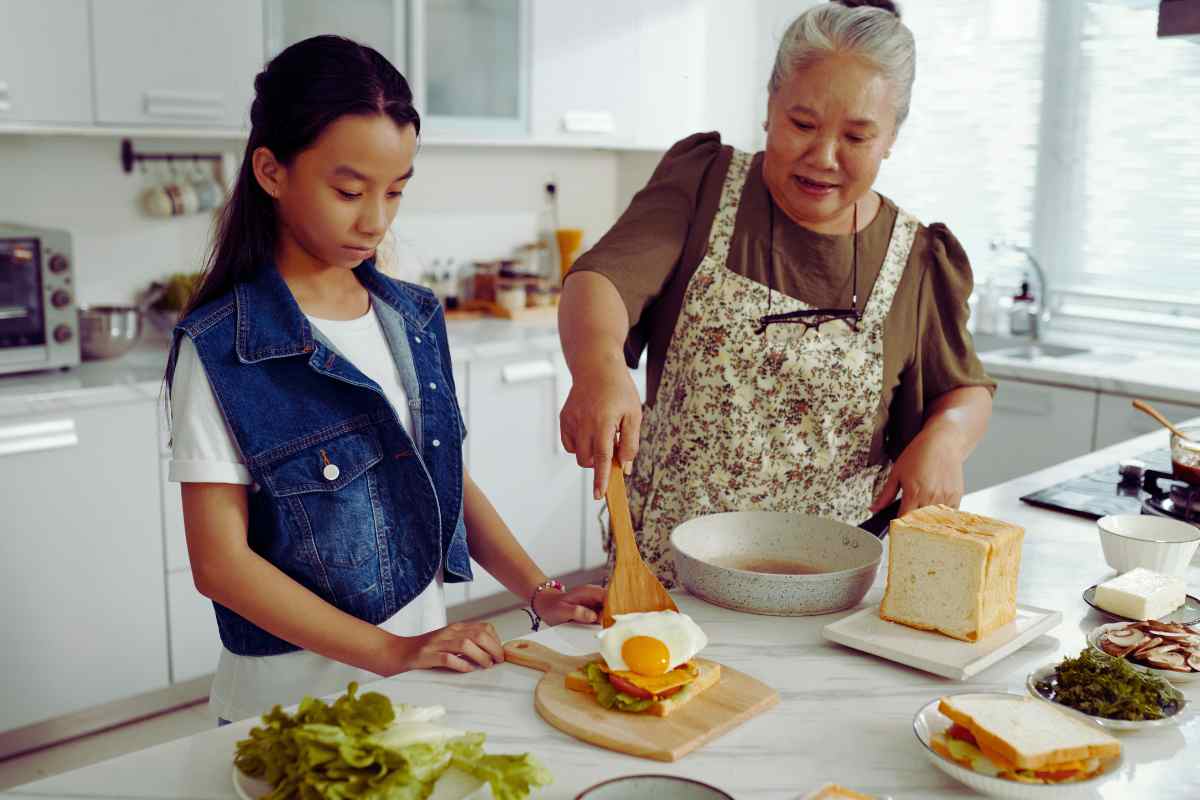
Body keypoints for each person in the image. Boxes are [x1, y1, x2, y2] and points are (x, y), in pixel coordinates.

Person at [164, 35, 603, 724]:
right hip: (288, 708)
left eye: (395, 191)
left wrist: (541, 591)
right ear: (272, 171)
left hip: (418, 686)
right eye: (348, 191)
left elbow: (442, 478)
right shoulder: (223, 348)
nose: (375, 220)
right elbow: (220, 565)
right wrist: (392, 651)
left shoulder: (412, 316)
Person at [557, 0, 996, 586]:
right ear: (769, 107)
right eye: (803, 124)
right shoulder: (705, 184)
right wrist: (598, 366)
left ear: (891, 137)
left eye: (857, 136)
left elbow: (963, 389)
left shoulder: (917, 257)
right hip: (670, 572)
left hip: (831, 582)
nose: (824, 157)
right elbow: (603, 279)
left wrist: (945, 439)